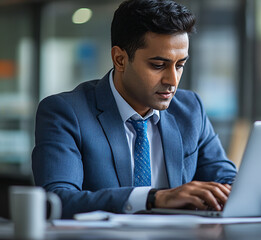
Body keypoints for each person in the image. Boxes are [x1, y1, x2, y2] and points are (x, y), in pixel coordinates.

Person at [32, 0, 237, 219]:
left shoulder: (190, 109)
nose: (172, 80)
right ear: (120, 59)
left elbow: (228, 182)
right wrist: (153, 198)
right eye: (158, 65)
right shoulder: (65, 113)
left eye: (180, 65)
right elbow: (56, 200)